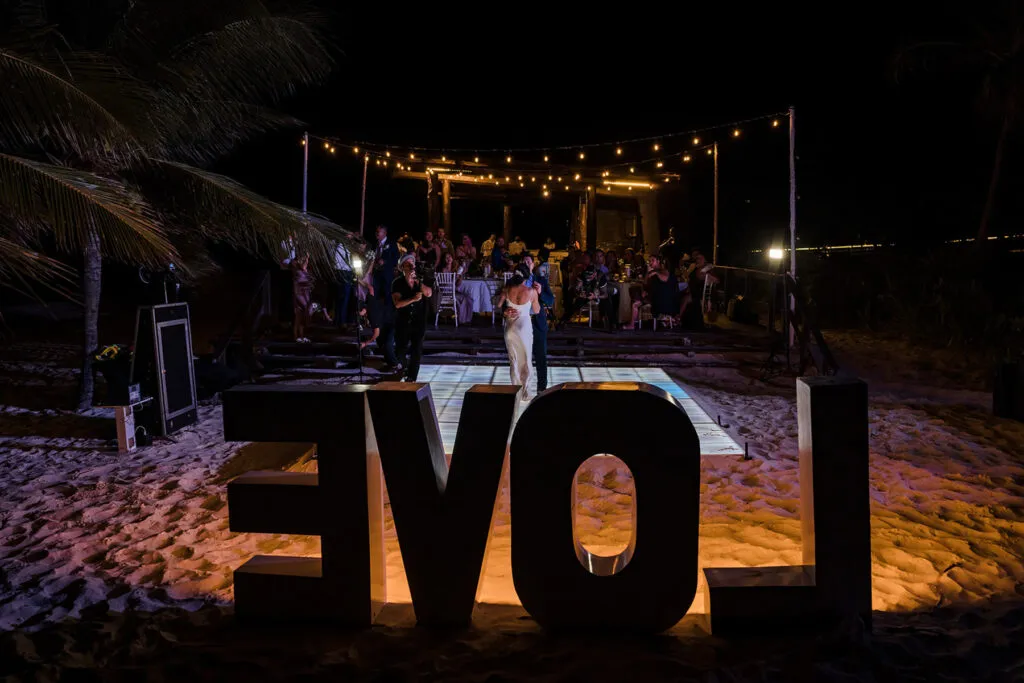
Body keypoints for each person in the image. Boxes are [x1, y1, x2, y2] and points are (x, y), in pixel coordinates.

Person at [496, 265, 540, 399]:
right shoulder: (531, 291)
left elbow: (498, 306)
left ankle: (515, 391)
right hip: (524, 329)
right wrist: (537, 294)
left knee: (513, 360)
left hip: (510, 329)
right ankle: (526, 392)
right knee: (526, 360)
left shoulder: (507, 289)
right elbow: (537, 310)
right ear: (526, 277)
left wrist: (505, 311)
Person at [391, 254, 432, 381]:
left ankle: (412, 377)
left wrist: (418, 282)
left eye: (412, 264)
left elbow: (429, 293)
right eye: (408, 264)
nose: (411, 267)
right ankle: (402, 370)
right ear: (402, 267)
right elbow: (397, 304)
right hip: (403, 321)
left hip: (418, 322)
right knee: (401, 349)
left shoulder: (420, 279)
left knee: (416, 350)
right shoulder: (397, 283)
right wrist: (413, 299)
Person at [523, 254, 554, 392]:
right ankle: (522, 389)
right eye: (523, 261)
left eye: (528, 261)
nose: (526, 263)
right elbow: (505, 297)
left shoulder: (540, 280)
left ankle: (542, 389)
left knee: (541, 357)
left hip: (537, 323)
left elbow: (550, 301)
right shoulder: (516, 281)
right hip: (521, 324)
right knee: (523, 358)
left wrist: (541, 292)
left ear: (533, 264)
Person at [372, 225, 400, 304]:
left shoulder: (391, 243)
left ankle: (388, 313)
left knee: (388, 294)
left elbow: (397, 258)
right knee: (375, 292)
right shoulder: (375, 244)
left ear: (384, 233)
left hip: (387, 273)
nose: (376, 233)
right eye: (376, 231)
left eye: (378, 232)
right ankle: (376, 311)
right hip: (376, 272)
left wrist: (385, 262)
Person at [291, 253, 313, 343]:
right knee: (298, 319)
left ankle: (303, 336)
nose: (306, 263)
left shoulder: (306, 271)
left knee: (303, 319)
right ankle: (296, 337)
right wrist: (297, 300)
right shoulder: (298, 272)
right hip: (299, 297)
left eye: (306, 262)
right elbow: (296, 287)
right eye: (304, 262)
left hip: (306, 296)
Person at [334, 240, 354, 326]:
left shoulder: (348, 248)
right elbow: (337, 262)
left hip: (346, 273)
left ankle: (340, 320)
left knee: (344, 298)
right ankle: (341, 321)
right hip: (342, 273)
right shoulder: (340, 247)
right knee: (342, 298)